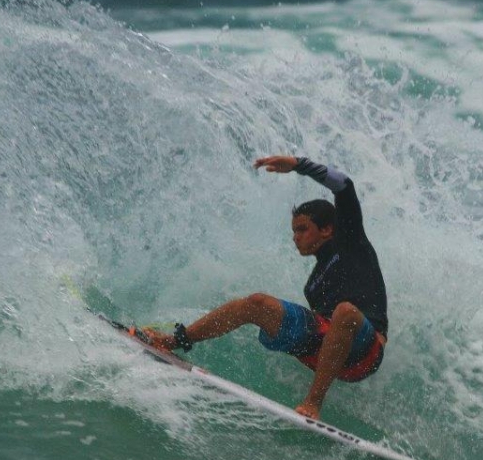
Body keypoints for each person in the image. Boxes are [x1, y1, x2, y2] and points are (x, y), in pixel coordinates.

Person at [144, 155, 388, 420]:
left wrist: (297, 165)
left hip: (364, 353)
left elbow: (344, 184)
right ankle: (174, 340)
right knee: (257, 303)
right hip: (325, 348)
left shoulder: (351, 241)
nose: (295, 237)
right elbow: (318, 331)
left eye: (303, 229)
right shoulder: (313, 285)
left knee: (345, 312)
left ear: (327, 228)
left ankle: (312, 404)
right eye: (294, 231)